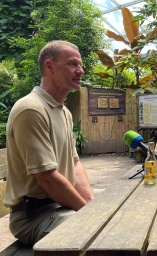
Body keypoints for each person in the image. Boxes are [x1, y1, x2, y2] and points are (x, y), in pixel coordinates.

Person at [4, 40, 95, 245]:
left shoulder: (63, 111)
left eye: (80, 65)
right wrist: (89, 215)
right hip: (34, 216)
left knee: (114, 207)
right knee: (95, 234)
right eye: (73, 64)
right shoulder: (31, 109)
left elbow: (74, 164)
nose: (80, 71)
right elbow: (47, 178)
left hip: (57, 206)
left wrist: (92, 205)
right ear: (49, 66)